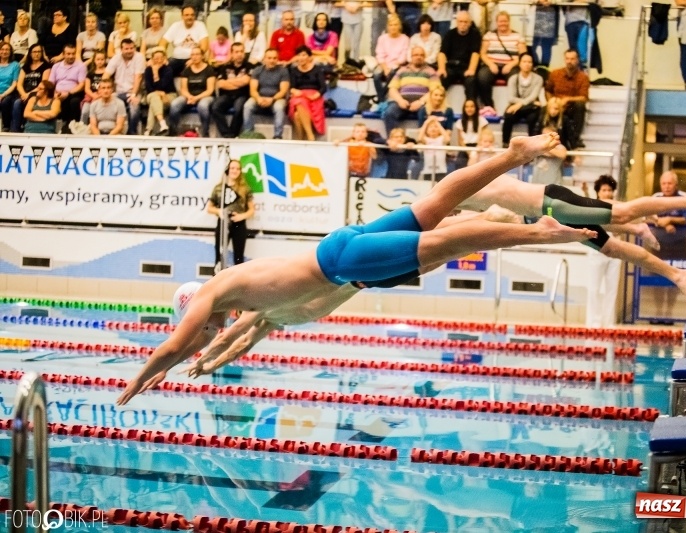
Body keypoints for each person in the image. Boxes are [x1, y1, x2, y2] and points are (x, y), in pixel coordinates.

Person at [115, 133, 598, 405]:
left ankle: (542, 232)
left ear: (189, 306)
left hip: (340, 263)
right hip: (341, 248)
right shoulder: (229, 296)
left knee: (450, 237)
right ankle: (512, 155)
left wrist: (141, 380)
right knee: (435, 208)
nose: (204, 328)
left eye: (197, 322)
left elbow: (180, 342)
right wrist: (203, 362)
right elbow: (211, 342)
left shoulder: (211, 297)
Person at [456, 172, 686, 306]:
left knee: (624, 213)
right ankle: (677, 275)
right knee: (611, 248)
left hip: (552, 203)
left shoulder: (465, 191)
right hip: (551, 216)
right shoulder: (474, 209)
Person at [650, 170, 686, 319]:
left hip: (679, 245)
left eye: (670, 183)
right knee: (656, 278)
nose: (666, 186)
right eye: (664, 183)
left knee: (675, 279)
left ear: (675, 184)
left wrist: (669, 219)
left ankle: (669, 313)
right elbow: (649, 215)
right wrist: (663, 223)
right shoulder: (656, 197)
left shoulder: (684, 197)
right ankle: (658, 312)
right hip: (657, 245)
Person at [583, 175, 622, 328]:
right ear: (598, 192)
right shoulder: (592, 206)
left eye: (609, 190)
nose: (607, 193)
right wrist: (585, 192)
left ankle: (608, 322)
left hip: (615, 249)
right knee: (594, 288)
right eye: (604, 190)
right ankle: (593, 323)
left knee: (611, 289)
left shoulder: (617, 208)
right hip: (596, 250)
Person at [207, 160, 255, 268]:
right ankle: (217, 280)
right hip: (223, 223)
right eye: (233, 168)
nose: (235, 171)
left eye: (238, 169)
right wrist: (219, 212)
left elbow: (251, 210)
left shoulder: (245, 189)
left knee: (238, 257)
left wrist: (241, 216)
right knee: (219, 256)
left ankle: (238, 283)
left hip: (239, 224)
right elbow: (209, 208)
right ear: (228, 170)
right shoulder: (219, 188)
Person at [476, 11, 526, 111]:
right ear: (496, 22)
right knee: (482, 78)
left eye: (505, 21)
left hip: (511, 66)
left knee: (516, 79)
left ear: (509, 22)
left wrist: (511, 65)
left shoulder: (518, 36)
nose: (503, 23)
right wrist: (490, 64)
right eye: (500, 21)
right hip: (492, 64)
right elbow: (482, 53)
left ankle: (513, 107)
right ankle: (488, 106)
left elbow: (523, 55)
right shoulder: (489, 35)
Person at [382, 46, 439, 133]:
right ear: (411, 57)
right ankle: (393, 141)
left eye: (421, 55)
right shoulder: (402, 70)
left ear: (424, 57)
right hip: (402, 103)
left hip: (423, 104)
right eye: (416, 55)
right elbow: (392, 89)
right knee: (389, 113)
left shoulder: (431, 71)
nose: (418, 57)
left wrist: (420, 102)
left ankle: (422, 143)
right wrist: (400, 100)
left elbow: (435, 90)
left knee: (425, 112)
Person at [544, 49, 589, 149]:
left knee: (580, 106)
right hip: (556, 106)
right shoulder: (555, 74)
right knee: (542, 109)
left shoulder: (583, 77)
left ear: (577, 60)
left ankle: (576, 138)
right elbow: (548, 90)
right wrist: (552, 102)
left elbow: (584, 97)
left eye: (572, 59)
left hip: (571, 107)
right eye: (567, 58)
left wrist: (568, 99)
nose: (569, 61)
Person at [169, 46, 216, 136]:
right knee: (175, 104)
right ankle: (173, 132)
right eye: (192, 55)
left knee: (203, 106)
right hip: (189, 96)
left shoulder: (209, 69)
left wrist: (196, 98)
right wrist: (190, 97)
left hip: (205, 96)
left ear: (202, 56)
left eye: (197, 54)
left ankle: (205, 133)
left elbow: (210, 90)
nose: (194, 57)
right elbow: (183, 89)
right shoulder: (186, 71)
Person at [501, 52, 546, 147]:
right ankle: (505, 143)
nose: (527, 64)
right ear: (520, 63)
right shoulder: (513, 78)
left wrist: (519, 104)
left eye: (529, 62)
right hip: (526, 105)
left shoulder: (538, 79)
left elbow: (533, 96)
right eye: (524, 61)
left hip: (530, 108)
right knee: (508, 115)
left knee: (533, 117)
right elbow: (511, 98)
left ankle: (532, 146)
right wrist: (523, 104)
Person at [242, 48, 289, 137]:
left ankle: (278, 136)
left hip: (277, 98)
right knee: (247, 106)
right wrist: (258, 98)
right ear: (264, 59)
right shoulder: (257, 70)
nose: (272, 60)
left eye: (274, 58)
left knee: (279, 107)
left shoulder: (283, 71)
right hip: (260, 97)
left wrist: (272, 99)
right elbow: (253, 90)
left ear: (277, 59)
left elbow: (283, 91)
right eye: (269, 58)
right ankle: (248, 134)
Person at [437, 10, 480, 102]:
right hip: (451, 66)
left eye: (465, 22)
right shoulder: (450, 34)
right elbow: (442, 53)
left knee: (471, 81)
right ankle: (437, 107)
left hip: (466, 67)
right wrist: (441, 68)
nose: (463, 24)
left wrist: (471, 70)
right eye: (460, 21)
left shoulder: (475, 34)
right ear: (456, 22)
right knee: (440, 79)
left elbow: (475, 53)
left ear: (470, 23)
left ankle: (471, 107)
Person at [104, 39, 145, 134]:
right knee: (106, 101)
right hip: (118, 92)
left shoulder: (139, 57)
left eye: (131, 48)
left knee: (134, 107)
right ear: (121, 49)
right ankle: (109, 131)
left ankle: (132, 133)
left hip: (133, 91)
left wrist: (134, 94)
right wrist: (104, 92)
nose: (129, 51)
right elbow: (106, 75)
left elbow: (138, 77)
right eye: (126, 49)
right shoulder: (116, 58)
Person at [211, 42, 251, 138]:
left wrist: (229, 82)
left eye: (241, 51)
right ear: (232, 54)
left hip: (242, 95)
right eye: (236, 52)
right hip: (226, 95)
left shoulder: (249, 66)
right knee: (215, 107)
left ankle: (233, 134)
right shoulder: (225, 67)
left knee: (239, 108)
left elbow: (246, 81)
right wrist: (239, 82)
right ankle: (227, 134)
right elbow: (220, 84)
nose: (239, 54)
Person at [288, 45, 327, 140]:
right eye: (299, 55)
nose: (301, 58)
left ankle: (300, 139)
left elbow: (323, 87)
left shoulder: (317, 69)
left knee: (298, 115)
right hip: (299, 96)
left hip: (314, 97)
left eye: (304, 55)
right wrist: (294, 91)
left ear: (310, 57)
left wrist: (316, 95)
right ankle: (310, 135)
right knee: (298, 101)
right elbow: (291, 87)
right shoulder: (293, 70)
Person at [160, 5, 209, 76]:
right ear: (182, 16)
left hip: (194, 58)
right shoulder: (175, 26)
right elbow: (163, 43)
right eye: (187, 15)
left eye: (192, 15)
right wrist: (163, 57)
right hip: (176, 59)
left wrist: (194, 59)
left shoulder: (200, 25)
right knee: (164, 70)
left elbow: (204, 46)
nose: (190, 17)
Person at [11, 43, 50, 132]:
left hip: (38, 92)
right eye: (34, 52)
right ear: (30, 53)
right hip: (24, 93)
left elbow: (43, 84)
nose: (36, 54)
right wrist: (24, 94)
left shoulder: (46, 66)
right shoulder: (25, 67)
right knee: (15, 102)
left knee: (18, 103)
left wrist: (28, 94)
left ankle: (22, 128)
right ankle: (15, 130)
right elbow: (19, 84)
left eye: (39, 52)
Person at [48, 43, 85, 133]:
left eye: (73, 53)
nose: (71, 56)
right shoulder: (56, 66)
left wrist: (68, 93)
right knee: (53, 100)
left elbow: (81, 85)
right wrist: (55, 94)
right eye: (68, 54)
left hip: (74, 93)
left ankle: (72, 127)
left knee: (74, 101)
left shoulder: (80, 66)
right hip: (58, 93)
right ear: (63, 54)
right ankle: (58, 127)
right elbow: (51, 83)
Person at [373, 14, 410, 102]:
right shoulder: (382, 38)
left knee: (392, 73)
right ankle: (382, 98)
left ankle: (380, 99)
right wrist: (385, 68)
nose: (393, 27)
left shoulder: (405, 39)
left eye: (395, 25)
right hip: (384, 64)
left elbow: (403, 56)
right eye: (391, 25)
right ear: (388, 27)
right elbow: (379, 55)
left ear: (399, 27)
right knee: (376, 76)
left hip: (398, 65)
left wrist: (394, 66)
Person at [143, 47, 175, 136]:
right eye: (156, 58)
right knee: (154, 97)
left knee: (154, 101)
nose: (158, 60)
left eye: (161, 58)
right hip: (153, 95)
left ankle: (148, 130)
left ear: (165, 58)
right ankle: (162, 124)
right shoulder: (148, 70)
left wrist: (156, 73)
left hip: (169, 95)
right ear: (152, 59)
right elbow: (149, 88)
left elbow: (164, 86)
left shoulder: (168, 69)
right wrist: (154, 72)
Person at [418, 115, 450, 181]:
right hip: (428, 170)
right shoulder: (426, 140)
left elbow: (447, 139)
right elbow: (419, 138)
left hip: (441, 170)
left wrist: (437, 123)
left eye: (435, 127)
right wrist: (426, 123)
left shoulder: (441, 139)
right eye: (430, 127)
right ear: (427, 130)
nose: (433, 129)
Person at [527, 0, 558, 67]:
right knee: (531, 47)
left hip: (550, 19)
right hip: (534, 20)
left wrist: (551, 1)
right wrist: (539, 1)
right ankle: (535, 66)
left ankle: (544, 68)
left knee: (546, 47)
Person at [79, 50, 106, 125]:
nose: (100, 61)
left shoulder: (107, 72)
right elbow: (87, 88)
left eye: (102, 59)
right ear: (94, 60)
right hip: (91, 97)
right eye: (98, 59)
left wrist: (100, 96)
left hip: (103, 96)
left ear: (105, 60)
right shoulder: (90, 73)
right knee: (85, 111)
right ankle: (82, 128)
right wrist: (93, 95)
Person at [0, 41, 19, 131]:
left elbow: (14, 84)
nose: (4, 51)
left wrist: (2, 95)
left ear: (11, 52)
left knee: (5, 102)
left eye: (7, 49)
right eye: (2, 49)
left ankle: (6, 126)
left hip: (8, 92)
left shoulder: (15, 65)